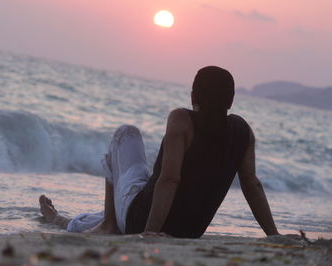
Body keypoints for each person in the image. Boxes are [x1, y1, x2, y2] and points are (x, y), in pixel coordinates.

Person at [39, 66, 279, 238]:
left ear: (193, 95)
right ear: (231, 101)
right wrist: (274, 235)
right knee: (137, 184)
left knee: (126, 133)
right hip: (189, 232)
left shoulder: (182, 120)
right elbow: (252, 185)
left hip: (143, 222)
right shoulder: (243, 131)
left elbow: (170, 179)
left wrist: (149, 233)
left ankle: (108, 224)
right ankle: (75, 220)